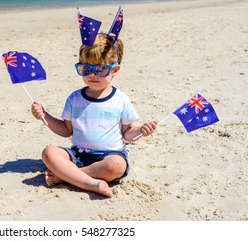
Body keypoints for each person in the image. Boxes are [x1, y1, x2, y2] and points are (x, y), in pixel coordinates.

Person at [31, 34, 157, 197]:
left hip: (109, 155)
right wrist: (44, 116)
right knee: (49, 152)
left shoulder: (121, 100)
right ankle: (91, 183)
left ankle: (68, 176)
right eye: (86, 69)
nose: (92, 75)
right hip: (78, 154)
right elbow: (66, 130)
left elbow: (127, 134)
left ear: (115, 70)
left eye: (101, 69)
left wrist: (141, 130)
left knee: (116, 165)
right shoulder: (74, 98)